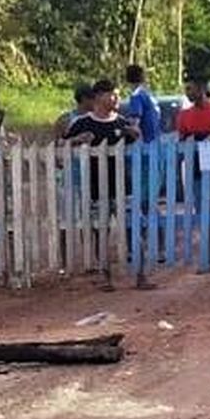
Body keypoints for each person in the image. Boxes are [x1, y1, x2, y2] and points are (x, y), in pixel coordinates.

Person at [62, 79, 152, 292]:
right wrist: (77, 140)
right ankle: (105, 277)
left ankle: (141, 275)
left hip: (123, 186)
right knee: (100, 232)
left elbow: (136, 142)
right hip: (96, 188)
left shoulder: (121, 122)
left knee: (135, 229)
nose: (116, 99)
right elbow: (61, 144)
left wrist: (135, 135)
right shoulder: (82, 123)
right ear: (99, 97)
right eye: (112, 95)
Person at [121, 64, 161, 144]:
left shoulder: (136, 96)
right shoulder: (147, 94)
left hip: (146, 140)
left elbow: (135, 120)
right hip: (157, 137)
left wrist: (122, 126)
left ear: (127, 80)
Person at [175, 76, 210, 142]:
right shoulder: (183, 116)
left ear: (200, 88)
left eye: (189, 89)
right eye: (185, 90)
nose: (186, 93)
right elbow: (181, 143)